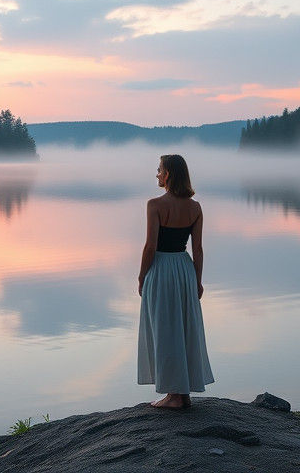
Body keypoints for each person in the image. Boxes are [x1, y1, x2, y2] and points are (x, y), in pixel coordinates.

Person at [137, 154, 214, 409]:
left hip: (161, 267)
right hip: (184, 268)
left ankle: (174, 396)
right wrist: (198, 281)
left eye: (159, 170)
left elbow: (150, 246)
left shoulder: (155, 205)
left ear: (168, 174)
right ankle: (183, 392)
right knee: (183, 328)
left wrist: (141, 276)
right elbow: (199, 249)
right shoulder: (195, 208)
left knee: (165, 329)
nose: (157, 174)